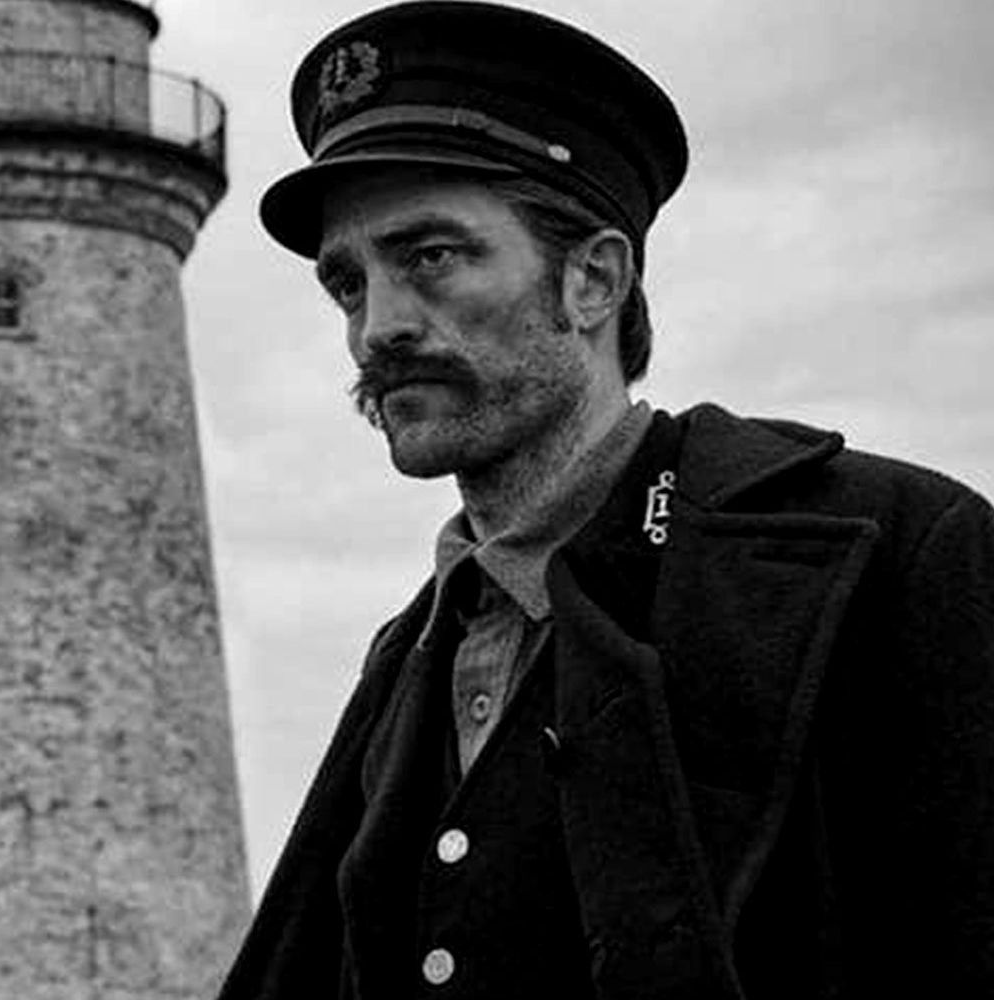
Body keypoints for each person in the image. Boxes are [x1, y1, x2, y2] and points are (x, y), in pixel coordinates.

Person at [218, 3, 994, 998]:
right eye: (347, 285)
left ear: (591, 279)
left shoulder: (892, 554)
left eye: (430, 257)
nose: (377, 327)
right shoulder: (407, 652)